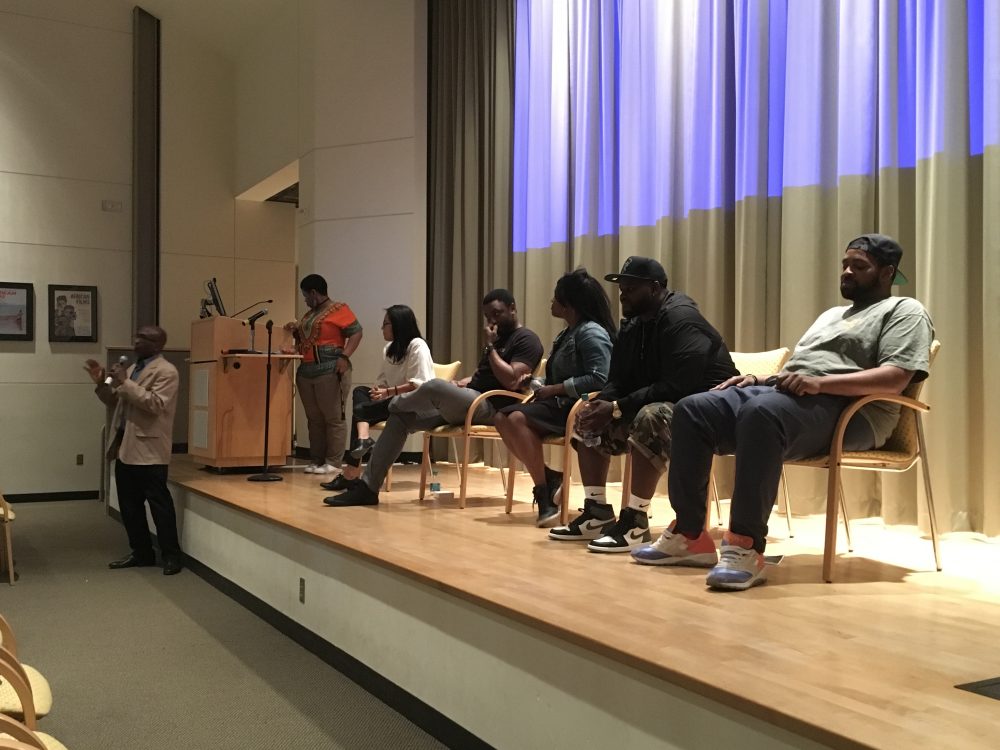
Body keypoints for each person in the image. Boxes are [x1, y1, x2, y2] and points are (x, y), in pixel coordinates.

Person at [634, 234, 934, 591]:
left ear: (887, 273)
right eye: (845, 265)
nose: (847, 272)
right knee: (694, 408)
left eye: (860, 266)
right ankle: (690, 535)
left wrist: (820, 385)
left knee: (763, 413)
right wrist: (758, 377)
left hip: (854, 411)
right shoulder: (831, 316)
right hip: (789, 398)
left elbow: (895, 378)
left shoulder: (906, 311)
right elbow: (800, 371)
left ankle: (745, 545)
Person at [547, 256, 738, 552]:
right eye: (622, 288)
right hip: (668, 402)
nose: (623, 295)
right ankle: (597, 512)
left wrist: (616, 407)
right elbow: (617, 379)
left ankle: (636, 520)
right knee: (587, 414)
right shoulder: (634, 324)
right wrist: (605, 403)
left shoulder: (681, 318)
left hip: (710, 410)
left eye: (631, 288)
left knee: (652, 417)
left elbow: (678, 386)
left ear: (656, 288)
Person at [325, 289, 544, 507]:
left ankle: (384, 406)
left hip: (491, 407)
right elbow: (485, 376)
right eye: (487, 316)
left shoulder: (527, 339)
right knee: (401, 417)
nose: (491, 321)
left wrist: (490, 347)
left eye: (497, 314)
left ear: (513, 308)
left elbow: (512, 380)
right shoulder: (498, 340)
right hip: (470, 400)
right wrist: (460, 383)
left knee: (434, 386)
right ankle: (368, 488)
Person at [493, 269, 615, 527]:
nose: (551, 303)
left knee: (515, 418)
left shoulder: (591, 333)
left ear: (568, 304)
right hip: (559, 404)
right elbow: (562, 378)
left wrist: (556, 389)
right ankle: (549, 480)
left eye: (555, 298)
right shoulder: (567, 334)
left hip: (578, 407)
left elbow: (598, 380)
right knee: (501, 418)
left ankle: (544, 493)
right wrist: (537, 383)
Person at [84, 326, 183, 575]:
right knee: (129, 507)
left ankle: (171, 556)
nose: (136, 341)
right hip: (125, 446)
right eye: (136, 336)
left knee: (160, 506)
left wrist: (125, 382)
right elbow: (116, 400)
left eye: (144, 339)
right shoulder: (132, 369)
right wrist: (100, 383)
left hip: (149, 449)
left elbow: (155, 404)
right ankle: (142, 553)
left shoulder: (167, 371)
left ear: (158, 344)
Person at [321, 305, 434, 492]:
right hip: (391, 400)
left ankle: (351, 471)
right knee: (360, 393)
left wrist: (389, 392)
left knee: (361, 411)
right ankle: (363, 438)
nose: (382, 329)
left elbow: (420, 384)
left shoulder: (417, 345)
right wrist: (378, 391)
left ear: (398, 325)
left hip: (412, 403)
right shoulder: (389, 348)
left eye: (385, 324)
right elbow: (382, 382)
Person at [284, 274, 363, 475]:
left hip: (330, 369)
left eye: (305, 296)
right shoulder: (309, 315)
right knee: (314, 419)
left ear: (313, 292)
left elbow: (356, 332)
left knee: (333, 417)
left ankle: (334, 462)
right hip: (306, 371)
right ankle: (316, 459)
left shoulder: (339, 309)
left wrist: (344, 357)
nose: (305, 300)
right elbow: (306, 338)